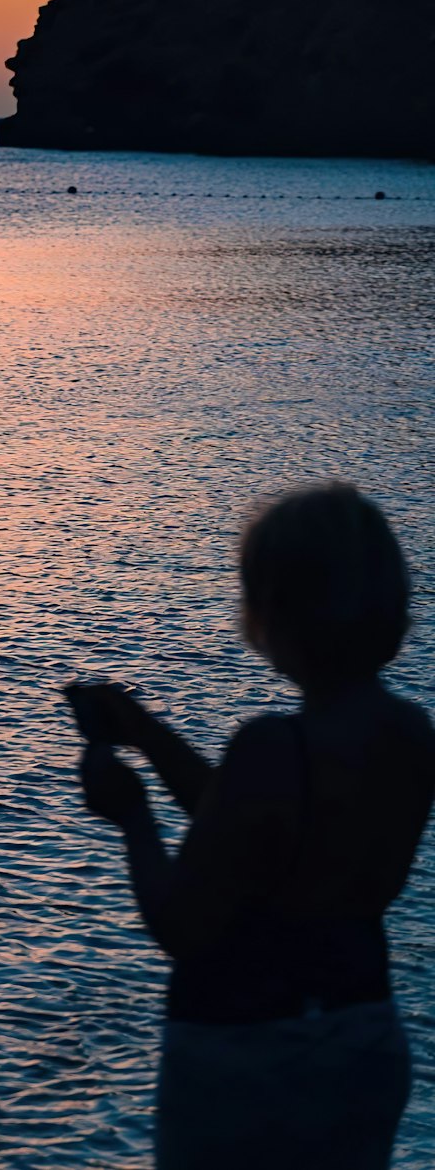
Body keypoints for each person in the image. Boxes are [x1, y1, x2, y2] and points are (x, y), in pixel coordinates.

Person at [74, 482, 435, 1170]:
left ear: (277, 612)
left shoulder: (271, 746)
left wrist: (132, 814)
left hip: (249, 1056)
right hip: (361, 1037)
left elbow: (180, 926)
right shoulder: (411, 735)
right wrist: (149, 736)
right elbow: (272, 828)